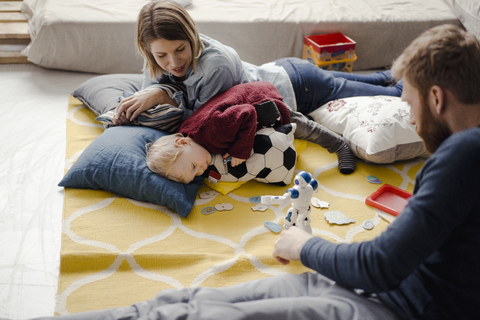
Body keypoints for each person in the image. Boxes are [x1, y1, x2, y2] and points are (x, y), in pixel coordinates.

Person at [32, 24, 480, 320]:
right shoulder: (461, 154)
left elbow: (380, 266)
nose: (412, 118)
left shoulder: (463, 154)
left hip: (393, 304)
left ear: (437, 98)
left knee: (201, 313)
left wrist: (305, 245)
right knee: (192, 300)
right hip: (377, 285)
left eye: (410, 102)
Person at [112, 0, 404, 174]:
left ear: (190, 36)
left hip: (296, 88)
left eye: (179, 50)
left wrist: (162, 93)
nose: (173, 62)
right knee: (377, 80)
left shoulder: (217, 66)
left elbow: (200, 115)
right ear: (148, 51)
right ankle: (403, 71)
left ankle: (424, 73)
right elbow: (156, 96)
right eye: (161, 55)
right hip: (280, 71)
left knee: (389, 92)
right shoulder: (158, 59)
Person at [146, 81, 291, 183]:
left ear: (182, 142)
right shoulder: (188, 135)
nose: (201, 171)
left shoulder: (215, 131)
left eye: (194, 166)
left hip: (266, 99)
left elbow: (248, 112)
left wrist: (239, 151)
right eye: (196, 174)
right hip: (246, 99)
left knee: (303, 127)